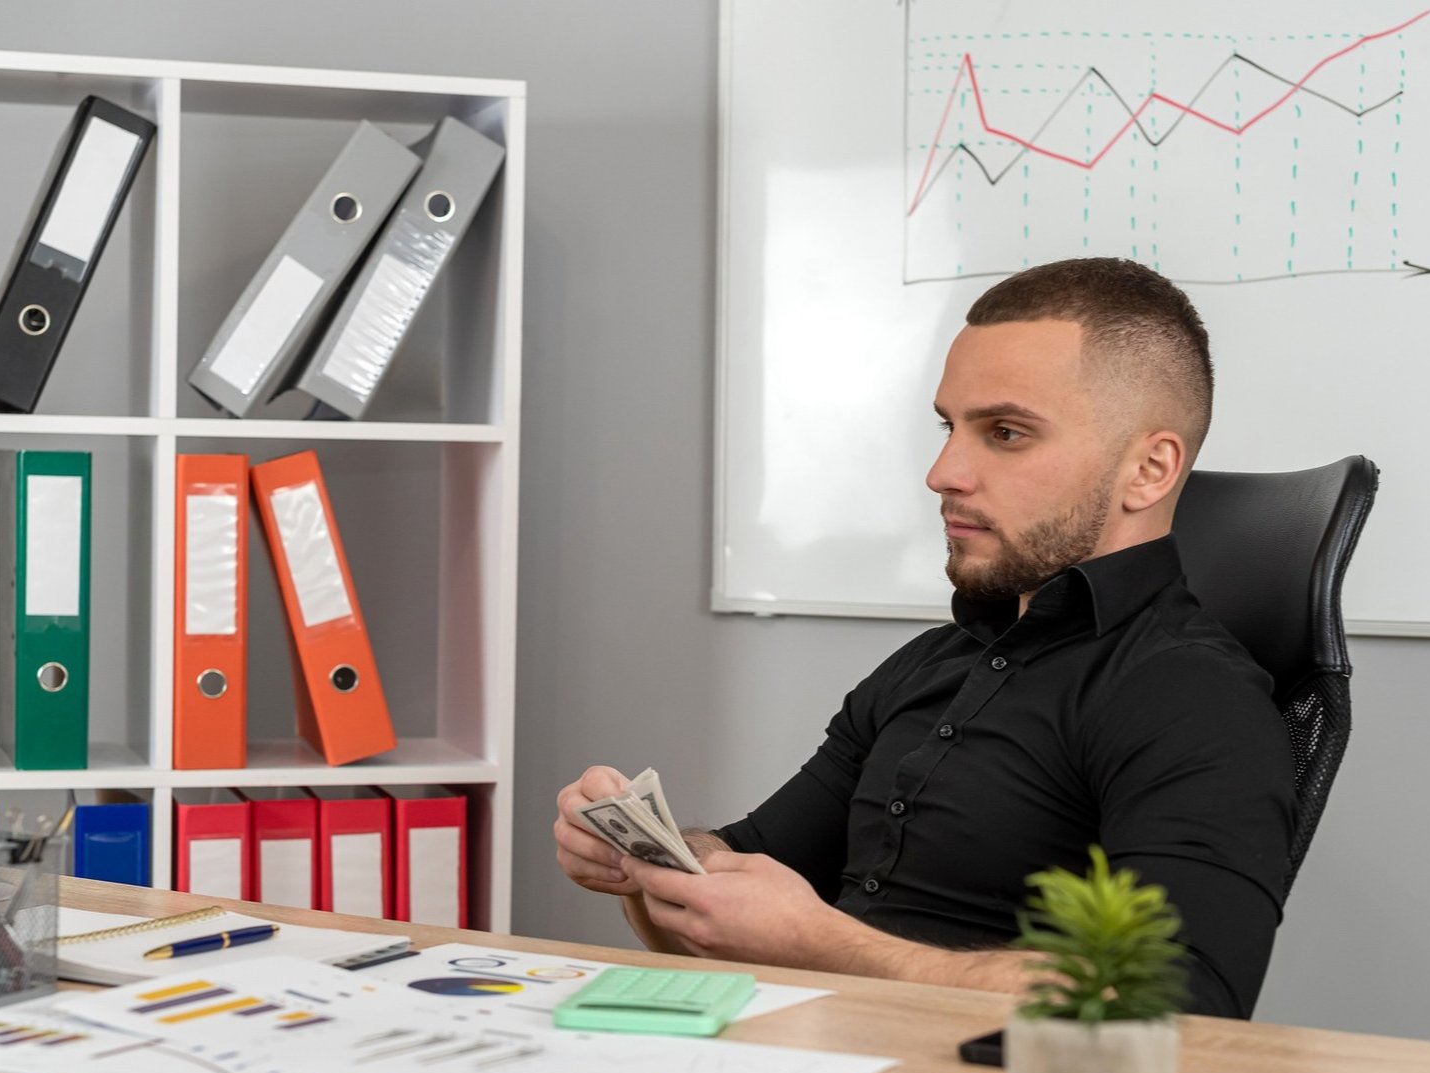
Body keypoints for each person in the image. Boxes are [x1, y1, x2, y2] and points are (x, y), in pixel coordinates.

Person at [554, 258, 1295, 1019]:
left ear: (1148, 468)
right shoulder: (932, 664)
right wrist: (647, 863)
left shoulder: (1192, 697)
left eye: (1005, 432)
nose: (943, 472)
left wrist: (822, 945)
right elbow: (742, 892)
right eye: (949, 427)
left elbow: (1180, 1004)